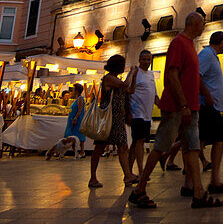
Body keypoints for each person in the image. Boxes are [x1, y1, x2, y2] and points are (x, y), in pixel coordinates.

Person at [128, 12, 222, 210]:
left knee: (193, 148)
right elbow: (171, 75)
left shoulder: (190, 45)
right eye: (203, 23)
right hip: (177, 108)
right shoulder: (178, 43)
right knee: (161, 146)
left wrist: (202, 96)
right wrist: (183, 105)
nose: (204, 27)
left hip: (191, 108)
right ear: (194, 24)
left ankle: (198, 193)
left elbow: (193, 76)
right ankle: (139, 190)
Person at [88, 54, 136, 187]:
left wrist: (135, 76)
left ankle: (127, 176)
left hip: (118, 118)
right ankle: (93, 177)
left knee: (122, 146)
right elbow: (126, 84)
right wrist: (131, 72)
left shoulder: (116, 79)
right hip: (107, 118)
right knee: (99, 147)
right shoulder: (109, 78)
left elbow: (131, 90)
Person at [198, 31, 223, 195]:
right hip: (207, 106)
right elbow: (196, 75)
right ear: (221, 41)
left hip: (213, 107)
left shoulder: (213, 56)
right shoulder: (206, 54)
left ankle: (214, 179)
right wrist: (207, 95)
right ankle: (214, 181)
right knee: (218, 140)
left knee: (215, 140)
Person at [127, 50, 156, 177]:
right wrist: (128, 112)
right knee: (139, 141)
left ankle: (128, 171)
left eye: (148, 59)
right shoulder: (134, 72)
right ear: (139, 60)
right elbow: (127, 90)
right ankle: (141, 170)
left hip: (147, 114)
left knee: (136, 143)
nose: (146, 62)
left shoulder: (151, 74)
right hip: (137, 112)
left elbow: (154, 94)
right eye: (144, 59)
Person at [64, 83, 86, 158]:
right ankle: (68, 151)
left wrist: (75, 118)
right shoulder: (77, 99)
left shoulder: (80, 98)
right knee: (70, 135)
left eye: (73, 89)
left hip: (77, 120)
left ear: (76, 90)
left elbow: (80, 109)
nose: (72, 91)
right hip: (73, 119)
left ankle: (82, 152)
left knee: (78, 135)